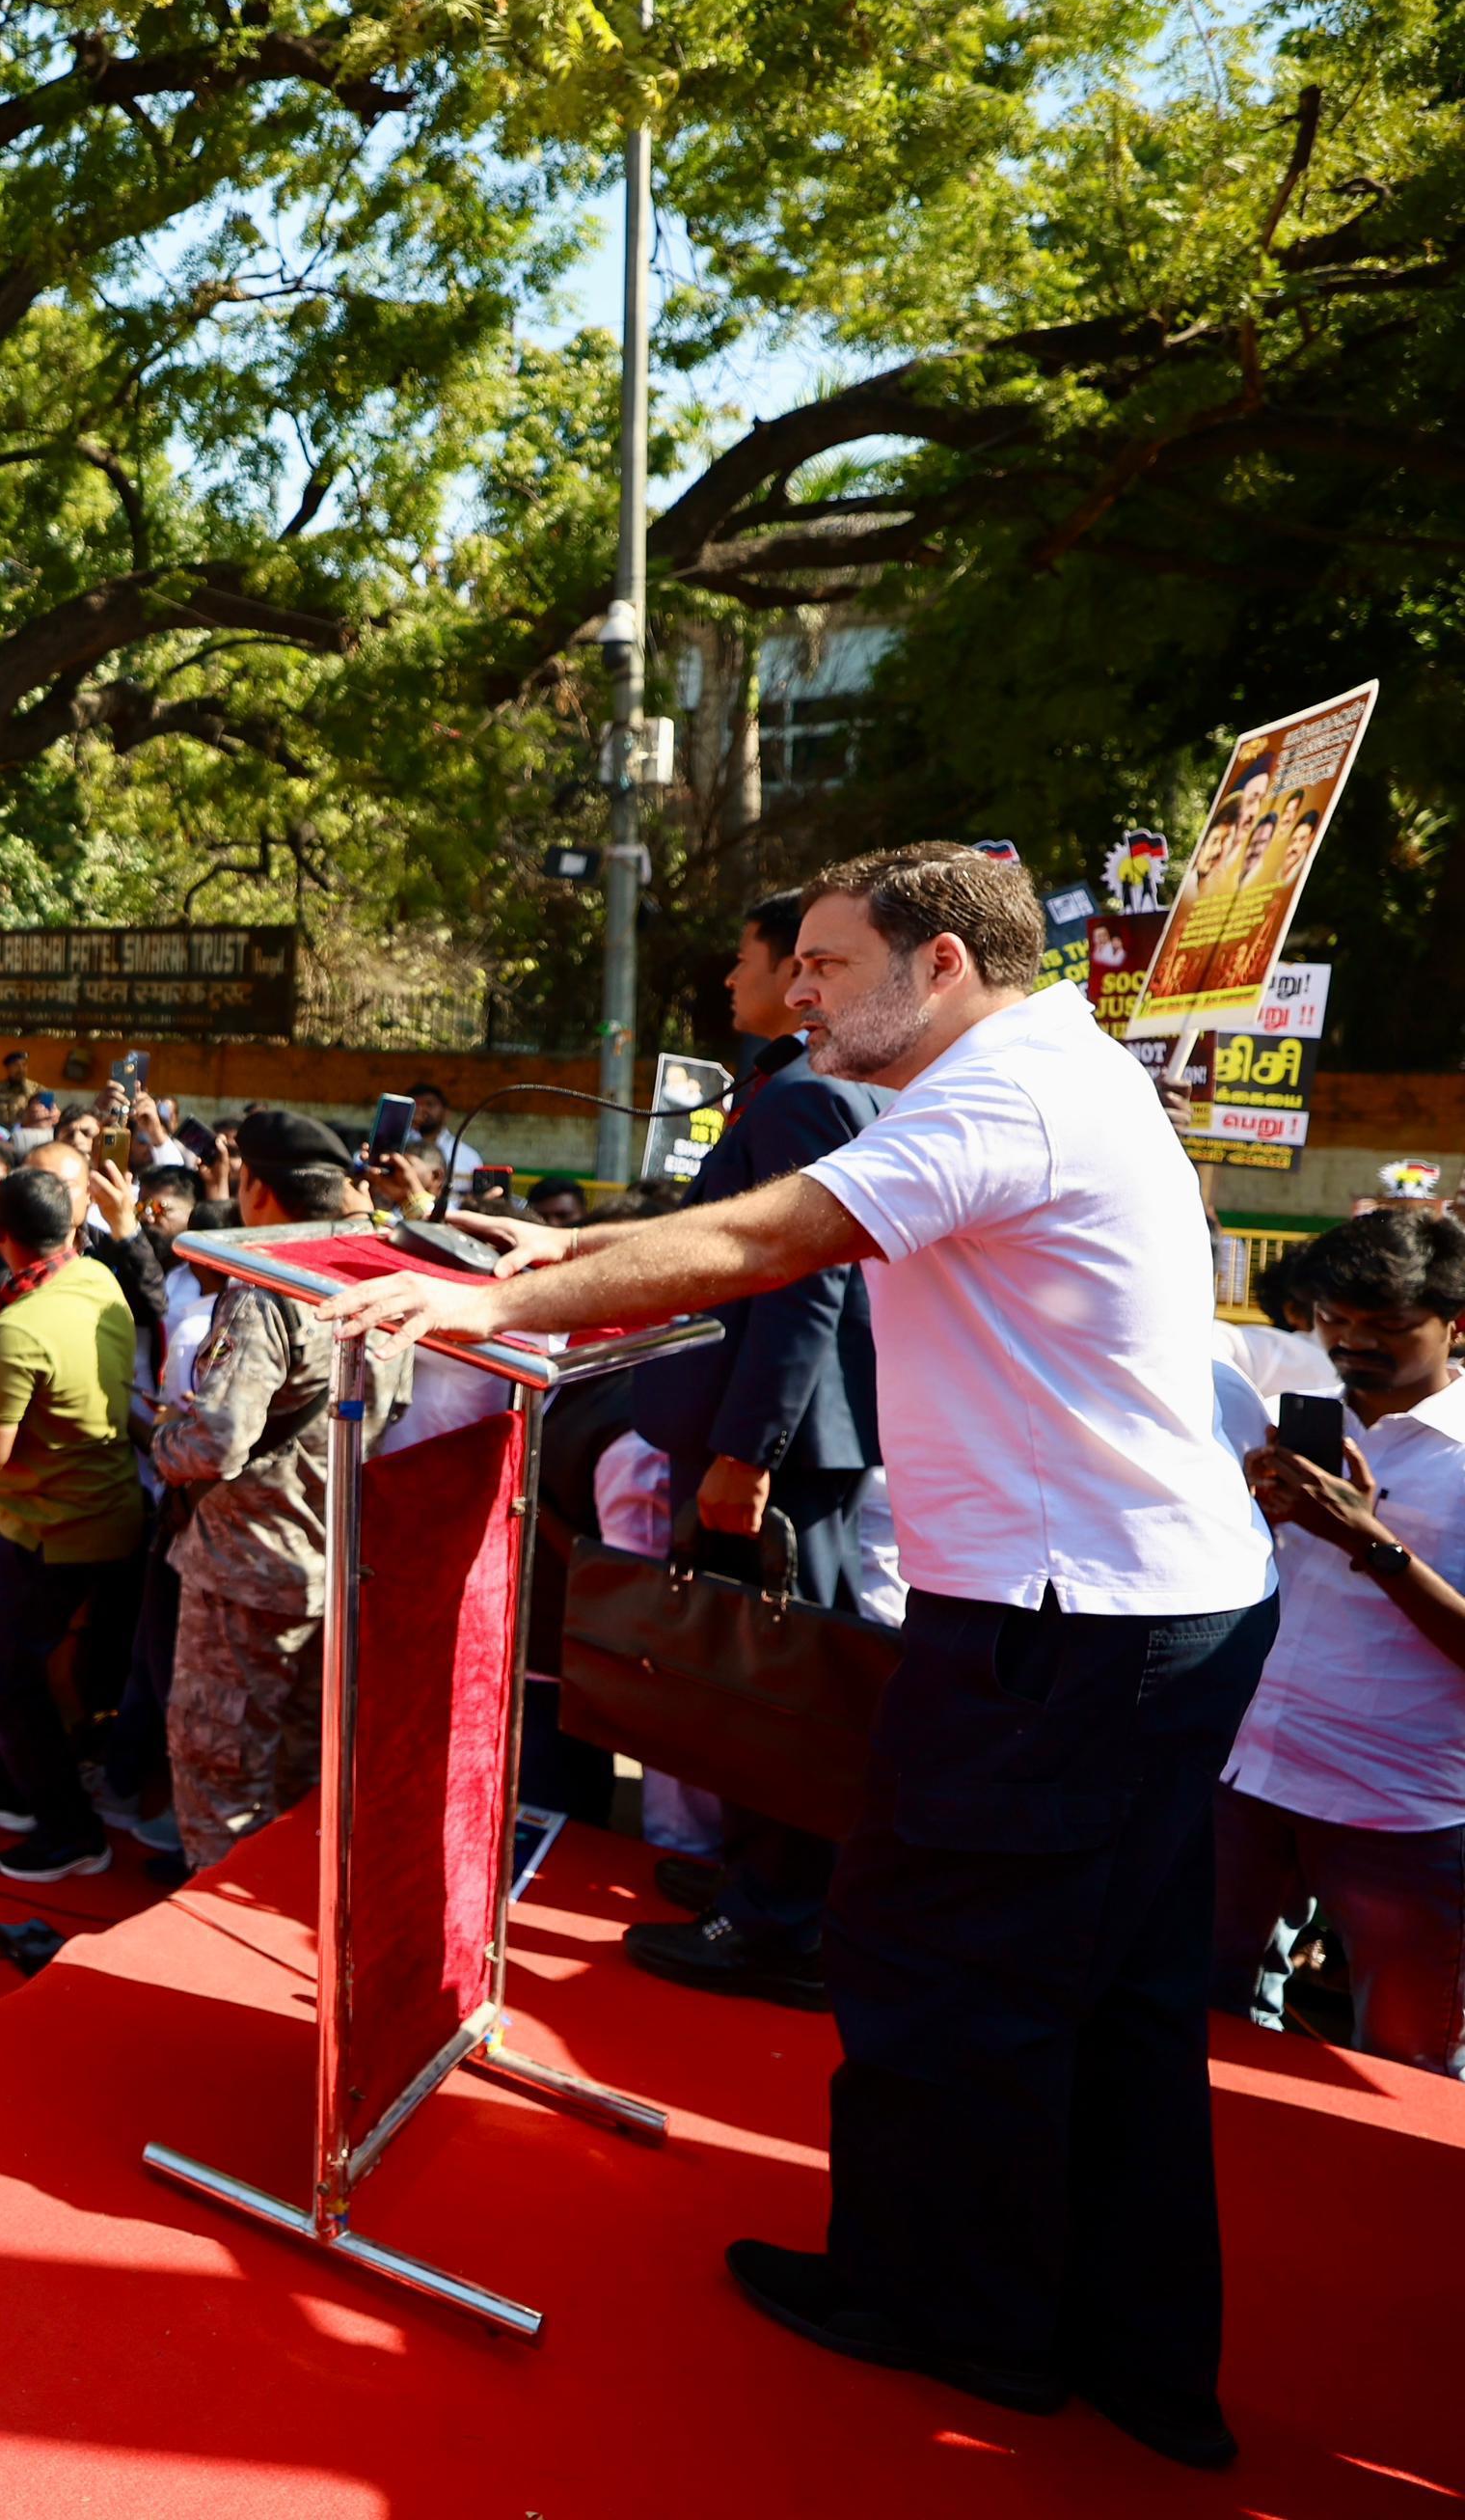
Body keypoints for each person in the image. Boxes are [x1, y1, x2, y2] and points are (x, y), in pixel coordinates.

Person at [323, 843, 1277, 2471]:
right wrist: (547, 1260)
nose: (803, 992)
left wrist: (512, 1306)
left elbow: (770, 1241)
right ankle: (1128, 2348)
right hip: (1136, 1609)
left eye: (830, 963)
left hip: (1063, 1624)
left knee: (940, 1961)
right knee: (1112, 1992)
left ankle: (953, 2311)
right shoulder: (1044, 1068)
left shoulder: (1005, 1091)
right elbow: (751, 1232)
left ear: (943, 964)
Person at [622, 891, 894, 2013]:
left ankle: (781, 1918)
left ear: (797, 972)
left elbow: (799, 1286)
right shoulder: (791, 1084)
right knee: (749, 1671)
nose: (728, 980)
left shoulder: (808, 1094)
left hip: (776, 1445)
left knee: (778, 1678)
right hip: (765, 1433)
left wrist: (747, 1450)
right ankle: (758, 1876)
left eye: (743, 958)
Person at [1216, 1209, 1465, 2076]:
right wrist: (1248, 1515)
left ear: (1455, 1324)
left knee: (1407, 2068)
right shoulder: (1289, 1424)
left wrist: (1368, 1541)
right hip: (1246, 1777)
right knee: (1203, 2030)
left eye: (1386, 1324)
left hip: (1402, 1809)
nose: (1353, 1342)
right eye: (1334, 1318)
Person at [149, 1114, 356, 1873]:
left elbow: (218, 1441)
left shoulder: (269, 1287)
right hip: (328, 1560)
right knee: (302, 1775)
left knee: (221, 1770)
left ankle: (210, 1924)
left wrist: (164, 1443)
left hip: (245, 1568)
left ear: (256, 1189)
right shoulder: (367, 1272)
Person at [0, 1168, 150, 1882]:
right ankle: (11, 1791)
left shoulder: (20, 1326)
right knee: (7, 1666)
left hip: (48, 1527)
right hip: (98, 1508)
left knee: (2, 1675)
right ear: (70, 1228)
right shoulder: (97, 1279)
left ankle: (71, 1833)